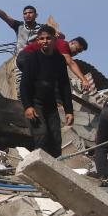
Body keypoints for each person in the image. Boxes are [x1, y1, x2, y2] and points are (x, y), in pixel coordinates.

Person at [19, 25, 73, 157]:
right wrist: (28, 106)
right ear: (37, 41)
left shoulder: (59, 60)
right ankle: (39, 168)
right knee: (41, 134)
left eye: (48, 38)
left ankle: (55, 169)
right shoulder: (32, 58)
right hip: (35, 102)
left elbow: (64, 85)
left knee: (56, 138)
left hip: (51, 104)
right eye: (41, 38)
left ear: (55, 40)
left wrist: (69, 110)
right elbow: (24, 84)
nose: (45, 41)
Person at [18, 35, 94, 91]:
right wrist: (84, 80)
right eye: (77, 49)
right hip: (26, 57)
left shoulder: (59, 55)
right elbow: (71, 63)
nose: (76, 53)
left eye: (79, 52)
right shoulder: (63, 44)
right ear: (72, 43)